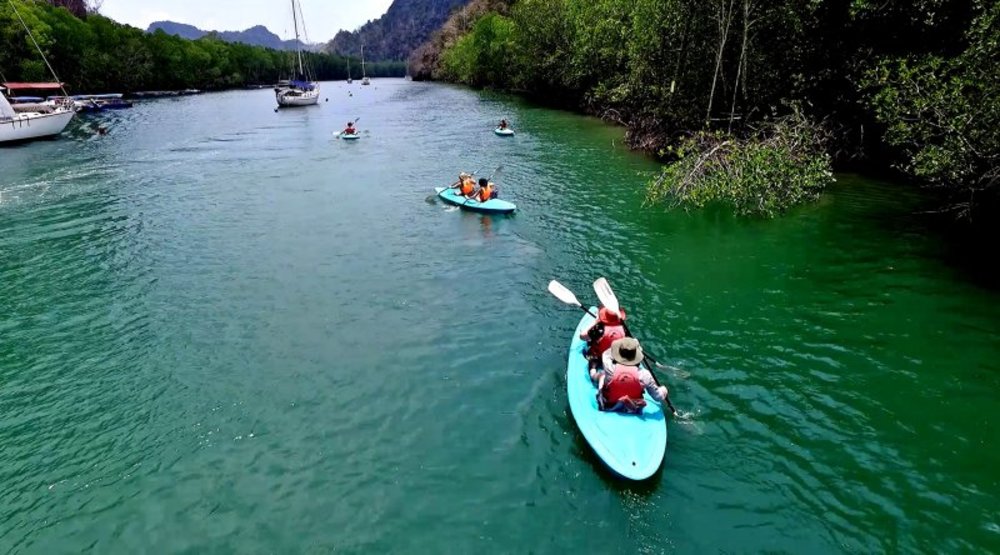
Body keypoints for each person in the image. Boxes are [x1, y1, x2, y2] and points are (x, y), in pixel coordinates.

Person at [596, 337, 669, 414]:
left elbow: (606, 354)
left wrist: (621, 345)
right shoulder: (645, 375)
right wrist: (664, 391)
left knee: (603, 376)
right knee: (661, 390)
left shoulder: (609, 367)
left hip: (609, 405)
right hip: (633, 408)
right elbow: (657, 397)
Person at [580, 306, 627, 378]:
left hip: (598, 357)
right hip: (614, 359)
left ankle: (595, 375)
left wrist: (595, 322)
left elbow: (582, 336)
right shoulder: (623, 328)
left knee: (592, 363)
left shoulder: (599, 328)